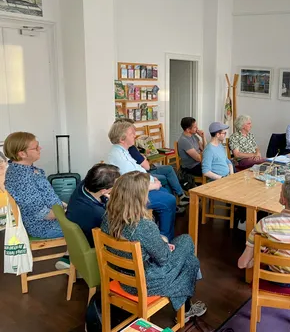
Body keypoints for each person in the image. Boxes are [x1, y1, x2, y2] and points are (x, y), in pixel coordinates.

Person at [101, 171, 207, 322]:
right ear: (139, 197)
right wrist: (163, 242)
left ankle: (187, 310)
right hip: (145, 282)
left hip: (122, 277)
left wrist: (160, 241)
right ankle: (186, 309)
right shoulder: (143, 226)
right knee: (188, 248)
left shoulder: (107, 217)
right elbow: (163, 259)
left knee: (188, 258)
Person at [3, 132, 69, 270]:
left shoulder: (27, 169)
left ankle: (75, 260)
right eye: (36, 147)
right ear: (22, 154)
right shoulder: (21, 178)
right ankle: (71, 259)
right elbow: (42, 213)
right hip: (43, 226)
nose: (40, 149)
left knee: (88, 216)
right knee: (90, 224)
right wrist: (69, 213)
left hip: (53, 217)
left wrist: (66, 206)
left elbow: (48, 196)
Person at [107, 120, 177, 241]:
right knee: (169, 200)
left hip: (137, 188)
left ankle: (158, 232)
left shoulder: (122, 151)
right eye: (131, 133)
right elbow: (132, 183)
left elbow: (138, 169)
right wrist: (154, 185)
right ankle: (164, 239)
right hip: (131, 196)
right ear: (122, 139)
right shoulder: (120, 156)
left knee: (165, 192)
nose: (134, 135)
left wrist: (151, 178)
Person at [114, 119, 189, 208]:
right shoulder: (130, 148)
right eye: (132, 131)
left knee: (169, 169)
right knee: (166, 177)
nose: (134, 133)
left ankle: (179, 197)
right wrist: (143, 158)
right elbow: (147, 166)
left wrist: (143, 155)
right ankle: (173, 202)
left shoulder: (125, 148)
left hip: (144, 172)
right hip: (145, 173)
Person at [66, 163, 120, 247]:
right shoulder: (97, 213)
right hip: (95, 245)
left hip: (82, 232)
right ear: (104, 191)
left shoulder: (84, 185)